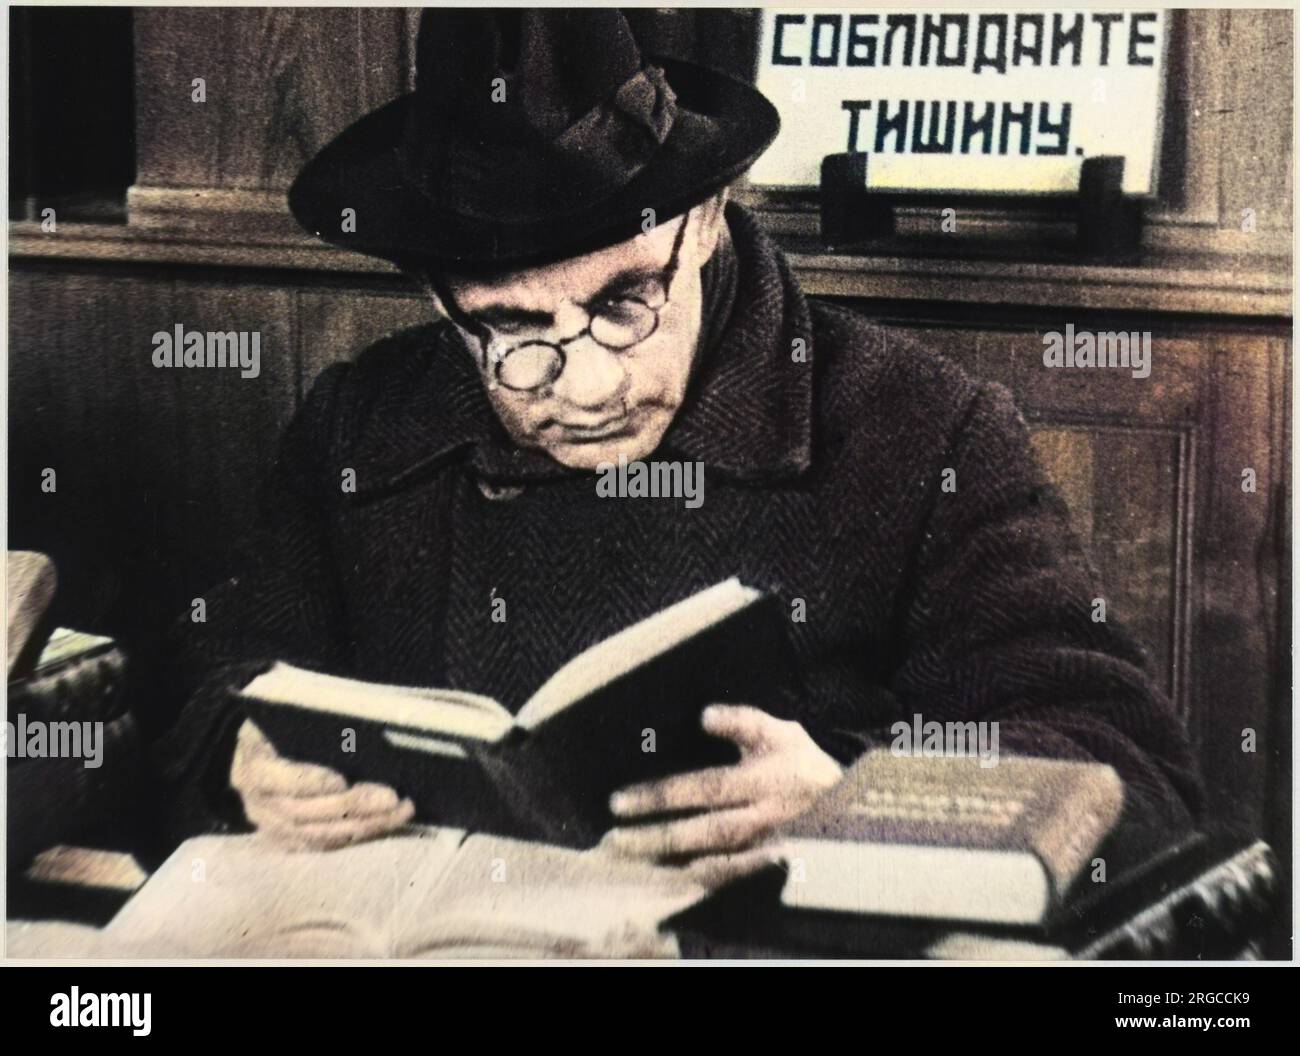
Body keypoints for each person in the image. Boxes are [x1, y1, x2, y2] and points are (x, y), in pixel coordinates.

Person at [154, 10, 1200, 884]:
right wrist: (241, 760)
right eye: (512, 329)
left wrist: (856, 794)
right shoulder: (357, 424)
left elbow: (1133, 776)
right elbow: (216, 681)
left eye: (625, 302)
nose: (592, 383)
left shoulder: (922, 428)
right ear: (435, 298)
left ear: (704, 221)